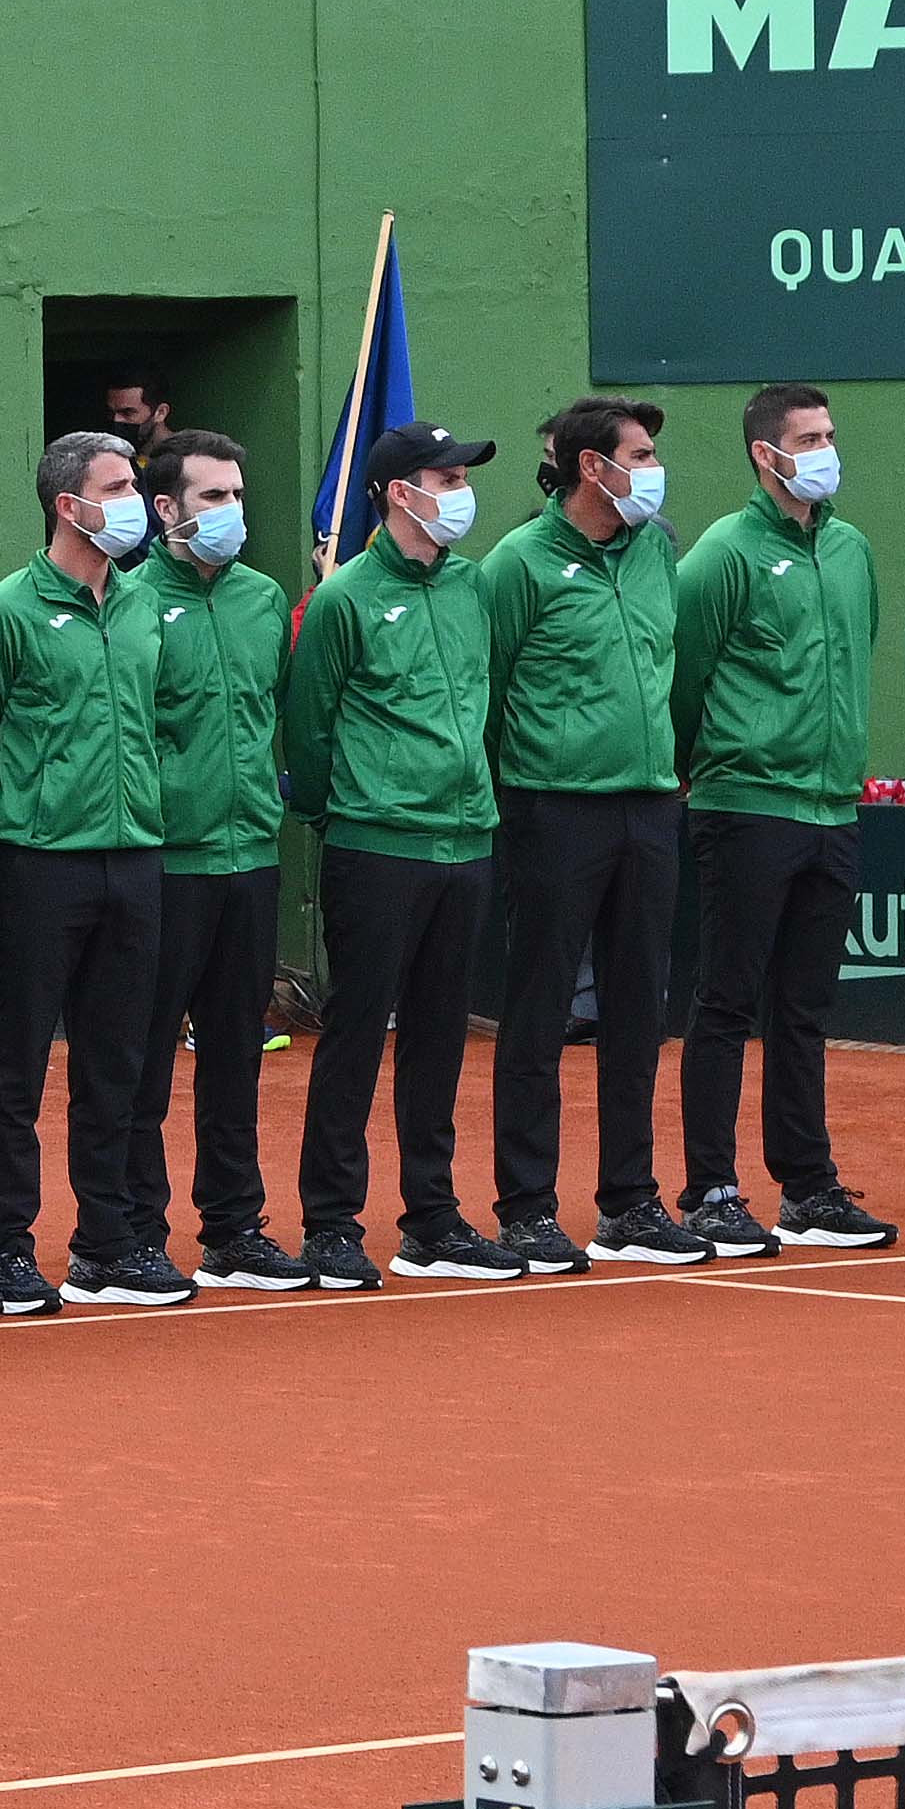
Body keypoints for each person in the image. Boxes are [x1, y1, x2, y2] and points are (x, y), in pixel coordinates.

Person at [468, 396, 700, 1273]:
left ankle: (631, 1203)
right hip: (551, 809)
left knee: (639, 1008)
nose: (651, 468)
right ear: (589, 467)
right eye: (637, 455)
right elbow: (485, 694)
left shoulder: (660, 548)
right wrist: (523, 784)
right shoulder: (518, 564)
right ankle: (526, 1206)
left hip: (650, 805)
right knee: (540, 1006)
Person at [284, 427, 509, 1285]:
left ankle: (434, 1219)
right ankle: (331, 1224)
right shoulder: (344, 600)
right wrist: (349, 808)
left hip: (466, 840)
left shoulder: (473, 587)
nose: (458, 491)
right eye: (443, 478)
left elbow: (484, 707)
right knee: (354, 1032)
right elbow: (310, 726)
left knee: (441, 1035)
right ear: (394, 493)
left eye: (461, 477)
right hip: (374, 846)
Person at [669, 383, 890, 1256]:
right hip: (743, 806)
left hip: (832, 809)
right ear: (767, 454)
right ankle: (711, 1189)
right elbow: (684, 678)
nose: (827, 448)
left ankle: (808, 1187)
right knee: (726, 1001)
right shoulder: (723, 555)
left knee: (804, 1007)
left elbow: (857, 657)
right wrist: (700, 771)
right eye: (809, 436)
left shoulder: (852, 551)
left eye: (831, 433)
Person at [0, 435, 173, 1311]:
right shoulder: (5, 613)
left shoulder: (143, 602)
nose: (134, 501)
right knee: (17, 1067)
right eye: (117, 487)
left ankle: (108, 1245)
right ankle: (7, 1247)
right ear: (68, 505)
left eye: (135, 484)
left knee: (116, 1062)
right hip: (37, 867)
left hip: (137, 858)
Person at [129, 434, 302, 1292]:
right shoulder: (125, 603)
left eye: (238, 495)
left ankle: (234, 1228)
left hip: (251, 858)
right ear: (165, 510)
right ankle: (133, 1234)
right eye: (212, 497)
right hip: (163, 864)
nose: (233, 511)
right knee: (145, 1056)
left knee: (235, 1053)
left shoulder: (265, 600)